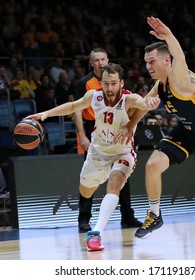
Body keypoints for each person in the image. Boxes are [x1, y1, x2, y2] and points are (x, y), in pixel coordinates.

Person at [117, 17, 195, 238]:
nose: (148, 66)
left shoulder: (181, 79)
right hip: (185, 130)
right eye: (146, 62)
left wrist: (169, 36)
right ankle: (155, 214)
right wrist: (130, 126)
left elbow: (180, 57)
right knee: (152, 165)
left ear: (166, 60)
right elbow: (144, 105)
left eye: (152, 61)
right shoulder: (160, 85)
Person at [26, 63, 160, 251]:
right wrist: (46, 114)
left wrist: (150, 103)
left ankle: (95, 233)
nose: (110, 88)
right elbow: (73, 106)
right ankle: (100, 180)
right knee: (86, 191)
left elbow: (144, 103)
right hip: (98, 153)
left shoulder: (129, 99)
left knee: (115, 183)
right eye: (106, 83)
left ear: (121, 83)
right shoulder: (94, 96)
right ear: (101, 83)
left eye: (114, 83)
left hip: (122, 153)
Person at [74, 48, 142, 232]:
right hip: (94, 129)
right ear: (91, 63)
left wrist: (130, 125)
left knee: (121, 174)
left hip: (118, 129)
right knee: (90, 175)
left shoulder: (116, 82)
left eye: (103, 59)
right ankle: (84, 219)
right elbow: (76, 108)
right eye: (96, 60)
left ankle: (127, 216)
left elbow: (136, 105)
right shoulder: (84, 83)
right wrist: (82, 134)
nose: (100, 62)